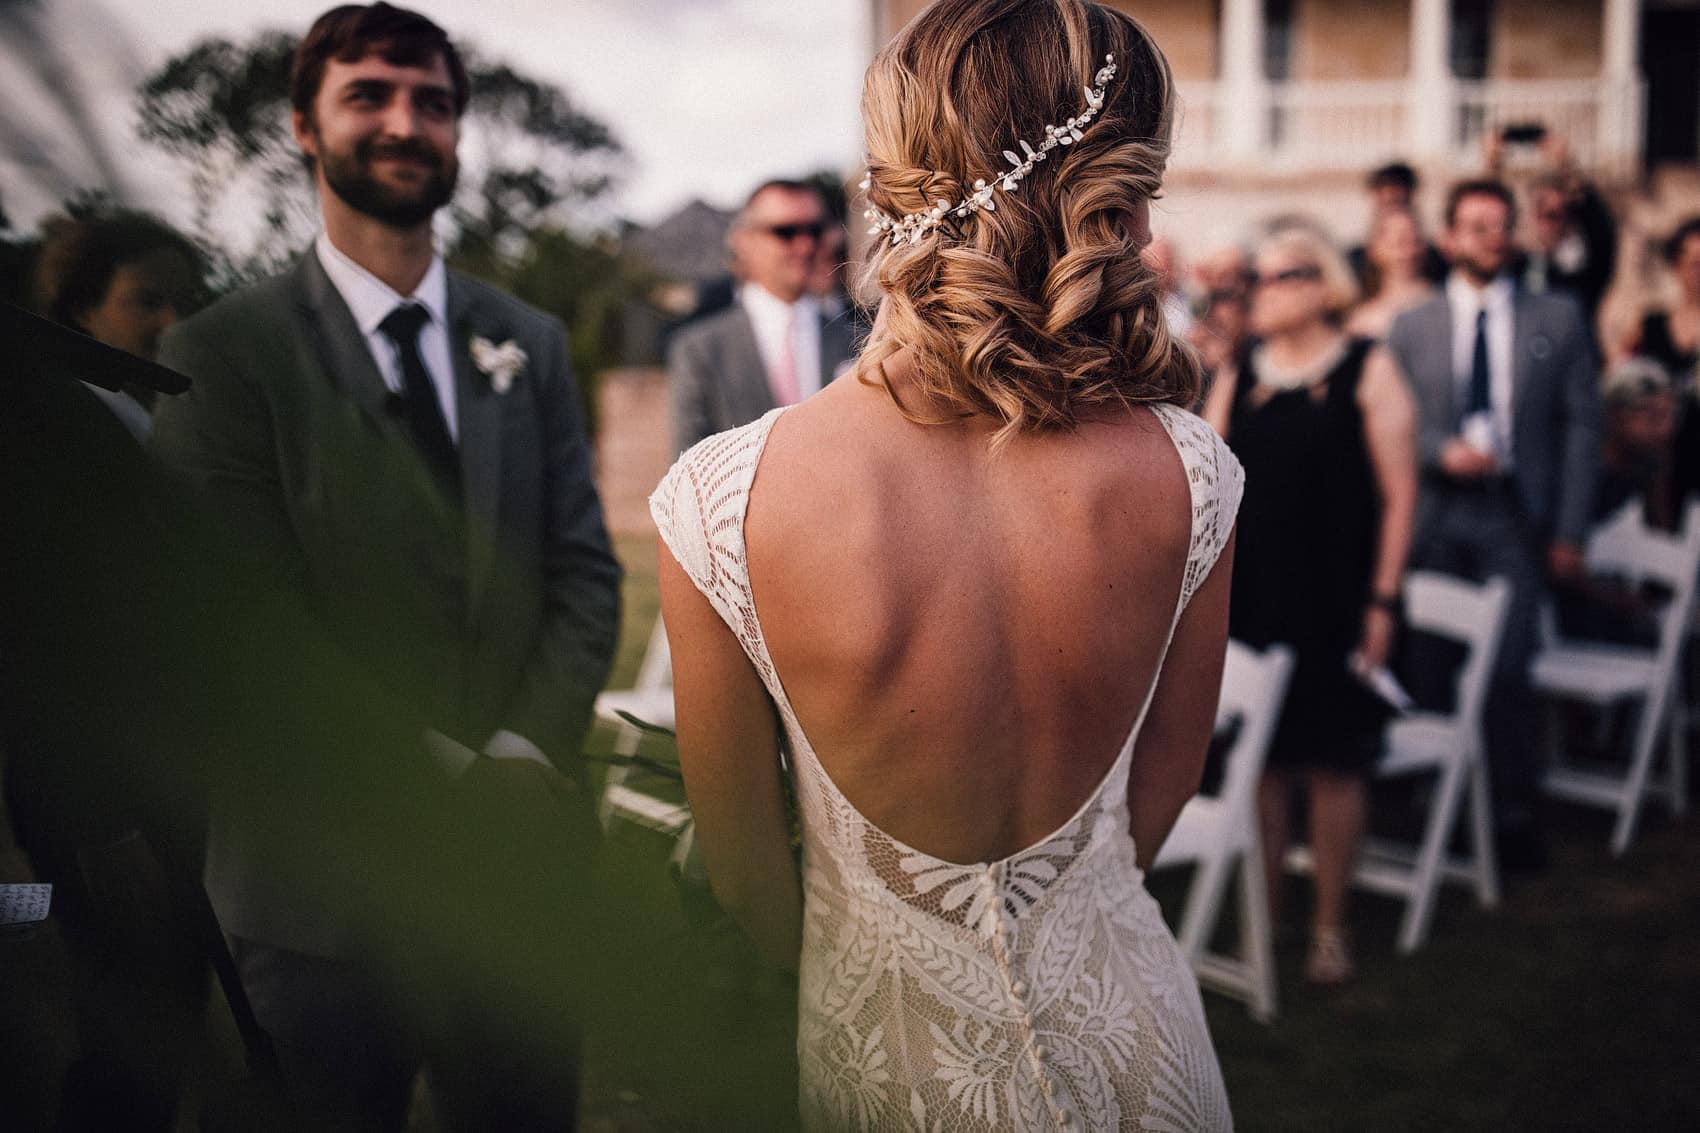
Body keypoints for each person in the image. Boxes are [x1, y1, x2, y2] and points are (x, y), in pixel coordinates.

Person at [652, 1, 1238, 1127]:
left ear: (890, 181)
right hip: (1140, 1048)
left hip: (888, 1062)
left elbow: (746, 884)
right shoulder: (1189, 469)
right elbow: (1153, 802)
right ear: (1109, 193)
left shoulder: (723, 500)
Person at [150, 5, 622, 1129]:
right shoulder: (221, 355)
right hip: (316, 894)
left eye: (434, 102)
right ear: (305, 128)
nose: (406, 123)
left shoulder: (528, 340)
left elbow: (584, 570)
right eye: (369, 94)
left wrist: (516, 749)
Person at [1201, 227, 1417, 985]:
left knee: (1333, 763)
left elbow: (1398, 496)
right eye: (1251, 276)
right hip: (1258, 597)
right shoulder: (1240, 369)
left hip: (1341, 597)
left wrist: (1384, 601)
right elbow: (1213, 480)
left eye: (1273, 276)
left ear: (1321, 284)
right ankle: (1270, 909)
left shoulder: (1370, 365)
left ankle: (1330, 923)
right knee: (1264, 763)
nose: (1254, 288)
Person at [1385, 178, 1602, 871]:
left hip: (1514, 512)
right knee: (1428, 658)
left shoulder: (1557, 317)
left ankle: (1511, 811)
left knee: (1508, 663)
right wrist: (1437, 448)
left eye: (1501, 225)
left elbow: (1581, 428)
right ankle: (1432, 804)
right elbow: (1394, 422)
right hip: (1435, 510)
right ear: (1448, 238)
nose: (1492, 236)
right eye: (1475, 225)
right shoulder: (1412, 324)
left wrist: (1570, 531)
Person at [667, 178, 863, 453]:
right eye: (786, 232)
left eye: (815, 231)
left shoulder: (859, 339)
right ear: (744, 241)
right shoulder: (700, 349)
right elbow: (688, 467)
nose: (805, 246)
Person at [31, 209, 202, 439]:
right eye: (148, 302)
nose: (175, 323)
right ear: (84, 312)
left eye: (185, 304)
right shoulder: (60, 433)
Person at [1623, 216, 1700, 515]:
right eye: (1692, 262)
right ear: (1675, 265)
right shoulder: (1651, 326)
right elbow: (1617, 386)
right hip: (1659, 477)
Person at [1345, 161, 1448, 290]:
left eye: (1399, 202)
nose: (1407, 253)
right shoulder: (1353, 263)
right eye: (1388, 202)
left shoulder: (1438, 260)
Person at [1346, 205, 1436, 341]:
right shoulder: (1360, 320)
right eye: (1399, 243)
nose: (1409, 252)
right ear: (1374, 248)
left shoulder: (1447, 301)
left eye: (1415, 241)